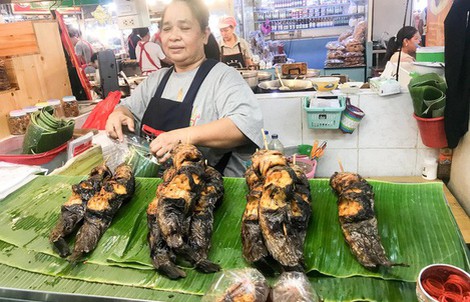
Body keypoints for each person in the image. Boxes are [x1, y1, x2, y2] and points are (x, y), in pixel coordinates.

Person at [105, 0, 264, 177]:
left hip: (201, 192)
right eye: (167, 29)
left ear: (205, 34)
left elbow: (244, 125)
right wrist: (118, 114)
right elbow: (127, 108)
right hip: (153, 188)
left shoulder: (223, 77)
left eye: (184, 28)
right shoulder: (156, 80)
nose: (173, 36)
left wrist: (183, 137)